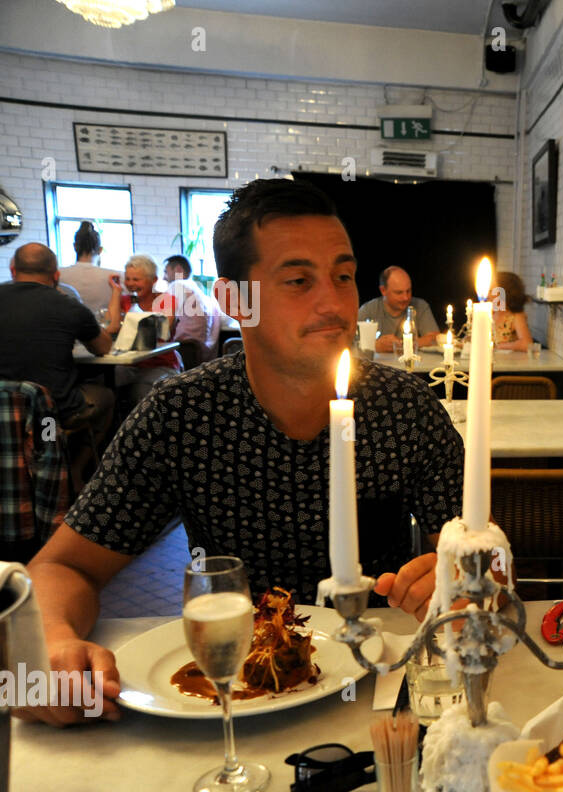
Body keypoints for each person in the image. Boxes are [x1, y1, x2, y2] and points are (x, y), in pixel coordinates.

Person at [23, 178, 464, 726]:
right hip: (226, 708)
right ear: (235, 300)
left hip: (378, 705)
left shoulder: (405, 409)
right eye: (299, 280)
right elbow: (66, 565)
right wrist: (50, 642)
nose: (334, 303)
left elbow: (481, 557)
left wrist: (466, 584)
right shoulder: (183, 415)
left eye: (344, 276)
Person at [0, 243, 117, 457]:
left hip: (4, 412)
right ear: (56, 275)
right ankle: (77, 470)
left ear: (13, 271)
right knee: (106, 397)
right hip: (51, 413)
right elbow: (103, 347)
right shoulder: (69, 306)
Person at [106, 254, 182, 408]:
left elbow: (162, 333)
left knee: (141, 392)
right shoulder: (125, 300)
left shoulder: (166, 300)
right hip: (129, 364)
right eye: (128, 279)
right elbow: (112, 326)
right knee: (106, 383)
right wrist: (116, 291)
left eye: (136, 280)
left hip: (160, 363)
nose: (131, 284)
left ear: (153, 280)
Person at [358, 266, 440, 352]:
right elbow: (350, 341)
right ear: (383, 290)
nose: (405, 297)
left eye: (408, 291)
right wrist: (374, 345)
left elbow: (434, 338)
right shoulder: (368, 310)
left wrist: (403, 344)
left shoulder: (420, 306)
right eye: (399, 293)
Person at [58, 222, 117, 315]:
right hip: (103, 326)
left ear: (75, 247)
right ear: (100, 250)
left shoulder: (58, 274)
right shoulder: (114, 277)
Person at [491, 272, 534, 352]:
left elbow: (527, 344)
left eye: (491, 291)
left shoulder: (515, 316)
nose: (488, 295)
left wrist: (497, 346)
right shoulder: (488, 313)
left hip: (507, 362)